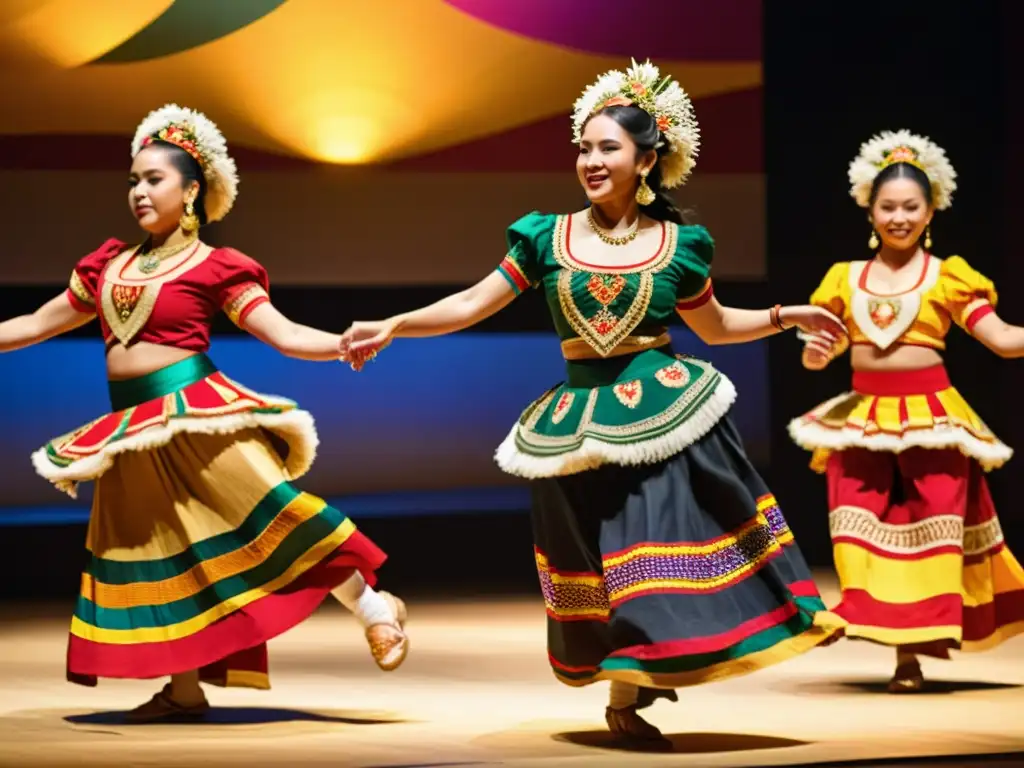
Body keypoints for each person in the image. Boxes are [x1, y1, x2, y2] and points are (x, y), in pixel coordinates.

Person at [339, 60, 845, 744]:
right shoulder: (546, 238)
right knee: (598, 563)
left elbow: (717, 327)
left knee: (649, 551)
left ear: (647, 159)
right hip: (581, 424)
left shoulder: (677, 247)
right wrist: (396, 323)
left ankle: (631, 692)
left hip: (665, 417)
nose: (591, 160)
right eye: (584, 147)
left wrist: (787, 315)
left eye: (608, 147)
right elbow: (470, 302)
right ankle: (626, 685)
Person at [0, 105, 408, 723]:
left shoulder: (215, 266)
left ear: (191, 190)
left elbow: (285, 333)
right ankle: (184, 689)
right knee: (169, 554)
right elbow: (36, 323)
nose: (139, 191)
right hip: (131, 431)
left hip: (198, 420)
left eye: (154, 180)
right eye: (134, 180)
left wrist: (342, 344)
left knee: (270, 518)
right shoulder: (107, 264)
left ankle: (374, 607)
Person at [788, 129, 1024, 692]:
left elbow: (1003, 340)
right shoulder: (845, 279)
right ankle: (886, 635)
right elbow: (815, 359)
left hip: (933, 418)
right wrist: (816, 353)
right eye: (887, 206)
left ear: (931, 209)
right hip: (863, 418)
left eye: (910, 207)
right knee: (857, 529)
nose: (898, 217)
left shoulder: (948, 276)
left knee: (929, 531)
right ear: (868, 209)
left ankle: (910, 654)